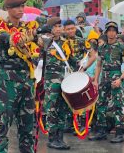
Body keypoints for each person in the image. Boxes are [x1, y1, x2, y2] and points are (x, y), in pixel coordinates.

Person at [0, 0, 39, 153]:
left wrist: (40, 35)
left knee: (27, 123)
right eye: (17, 7)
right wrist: (31, 36)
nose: (21, 10)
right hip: (8, 79)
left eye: (22, 6)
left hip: (27, 78)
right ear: (8, 9)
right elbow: (11, 39)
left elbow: (42, 44)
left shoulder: (27, 26)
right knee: (3, 123)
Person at [89, 21, 124, 143]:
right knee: (101, 105)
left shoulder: (122, 47)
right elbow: (98, 65)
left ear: (116, 32)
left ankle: (119, 133)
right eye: (109, 30)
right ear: (106, 32)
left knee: (118, 106)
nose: (111, 33)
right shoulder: (101, 47)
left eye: (113, 30)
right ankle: (101, 131)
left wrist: (120, 79)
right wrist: (96, 80)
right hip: (104, 79)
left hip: (116, 77)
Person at [40, 17, 77, 150]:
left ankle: (60, 138)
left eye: (60, 26)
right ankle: (52, 138)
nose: (58, 29)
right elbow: (36, 57)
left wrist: (80, 65)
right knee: (51, 109)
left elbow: (71, 60)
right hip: (51, 82)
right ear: (50, 29)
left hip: (64, 81)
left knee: (63, 109)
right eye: (55, 26)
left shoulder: (66, 43)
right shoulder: (45, 42)